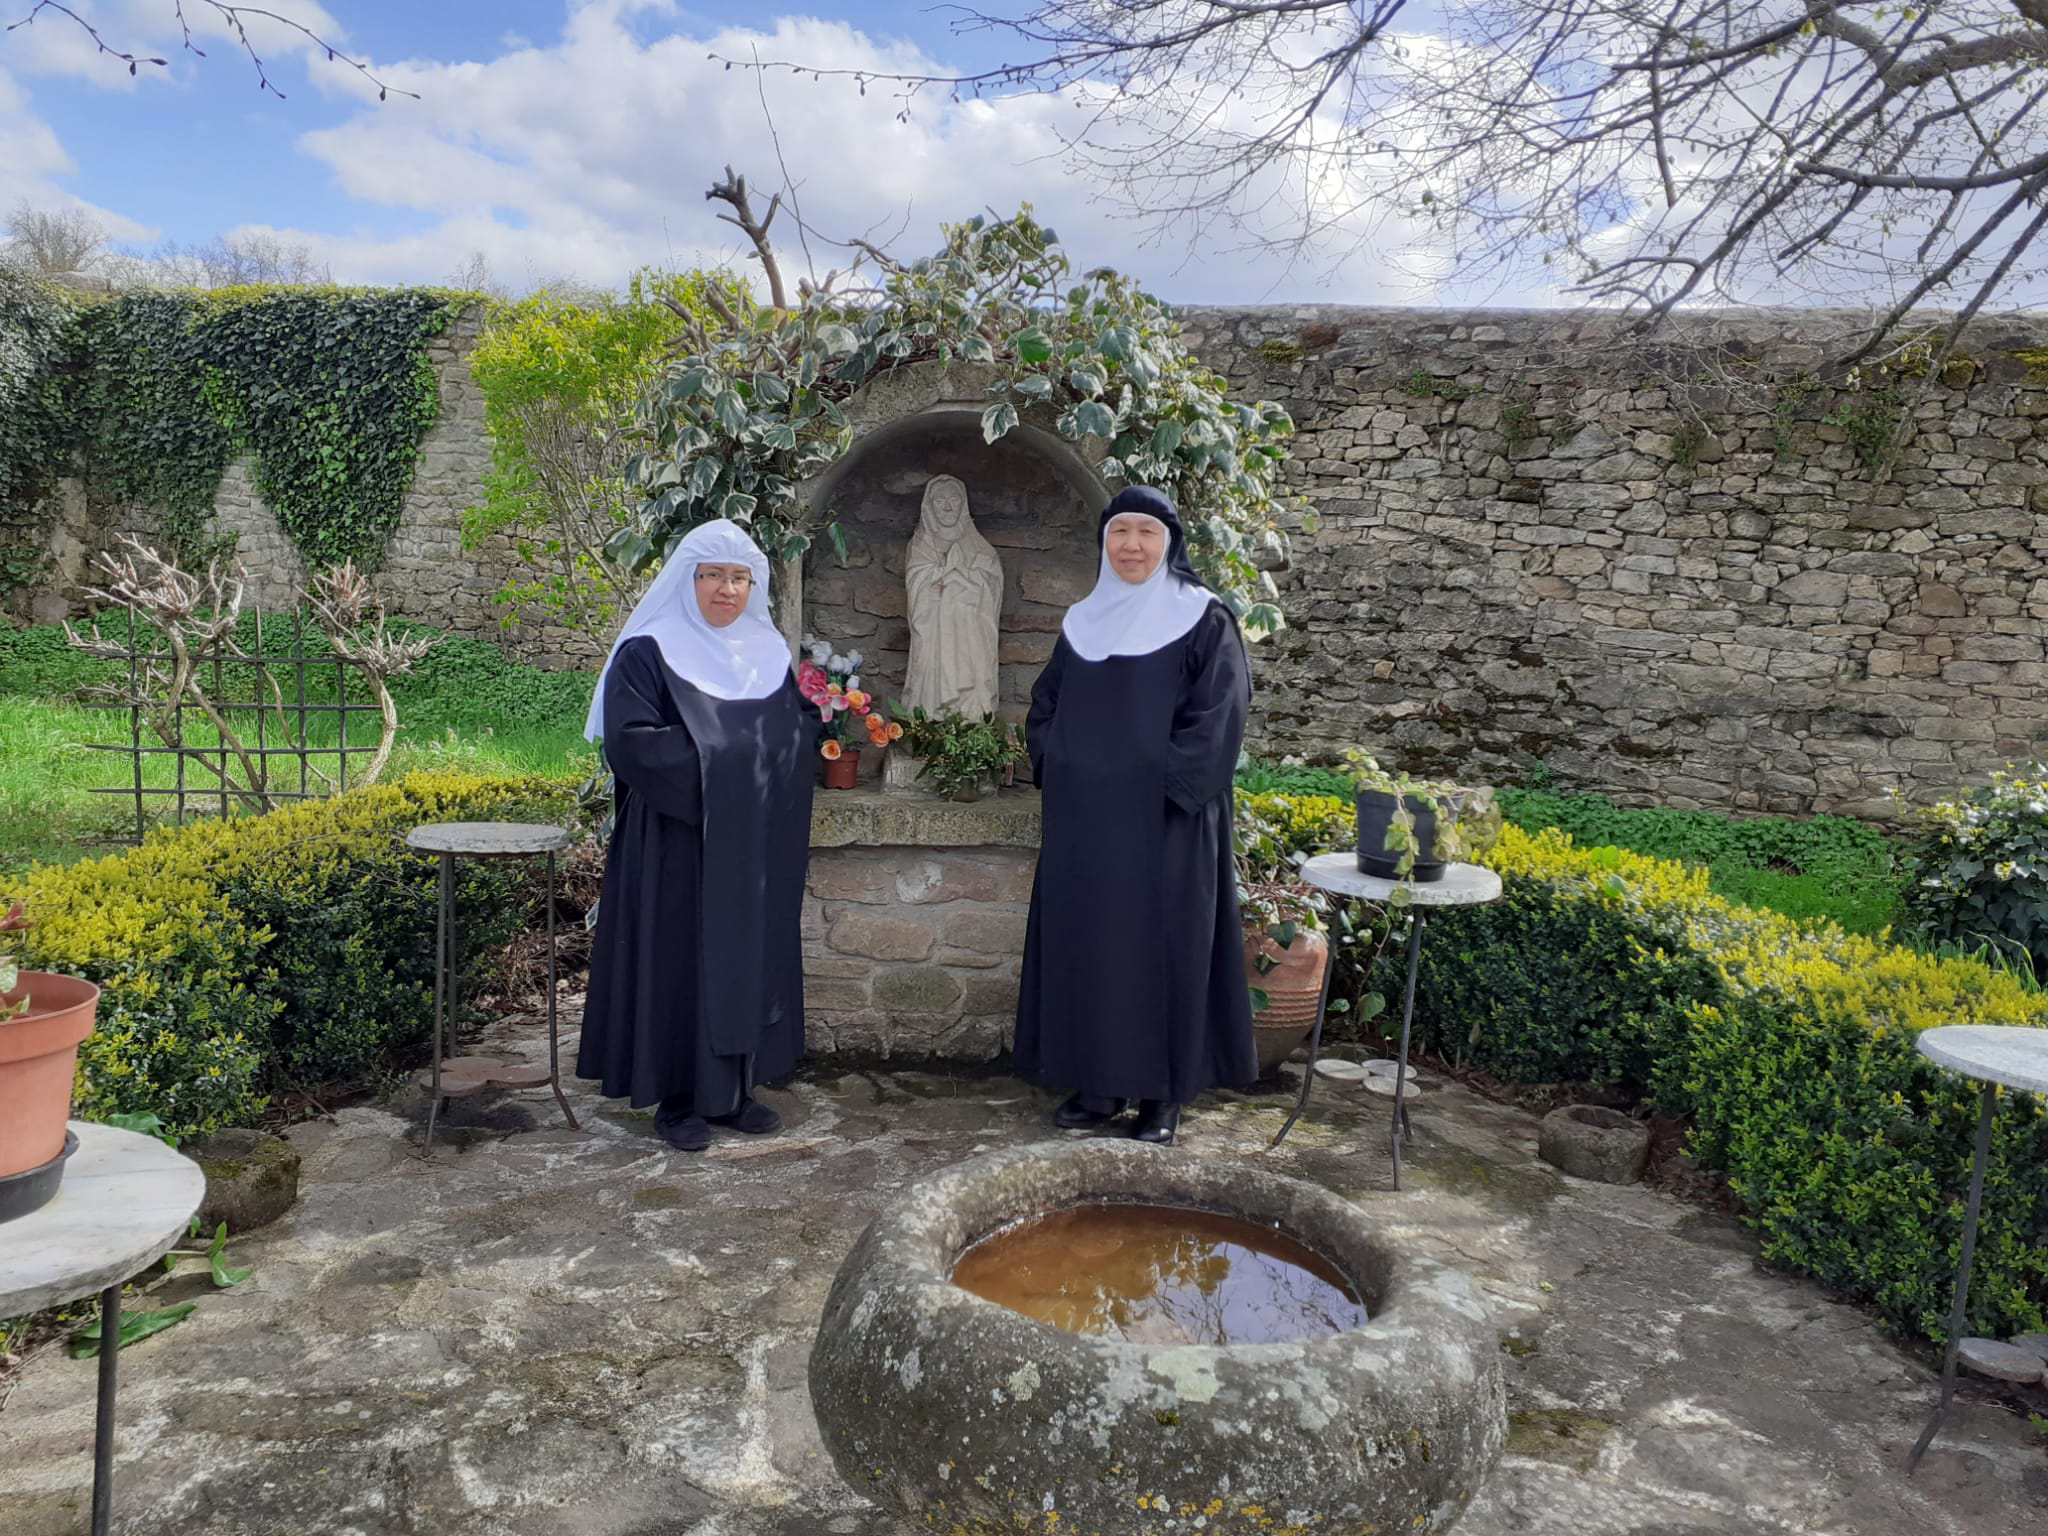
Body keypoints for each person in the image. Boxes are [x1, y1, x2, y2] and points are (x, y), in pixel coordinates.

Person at [1013, 485, 1256, 1146]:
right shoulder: (1082, 622)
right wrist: (1062, 765)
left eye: (1146, 533)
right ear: (1104, 542)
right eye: (1120, 531)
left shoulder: (1205, 618)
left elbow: (1220, 716)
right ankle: (1097, 1085)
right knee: (1091, 949)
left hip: (1165, 824)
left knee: (1163, 953)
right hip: (1087, 824)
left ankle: (1162, 1097)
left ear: (1169, 543)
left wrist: (1159, 787)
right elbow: (1046, 706)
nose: (1131, 546)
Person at [578, 519, 813, 1152]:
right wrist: (733, 764)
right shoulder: (648, 652)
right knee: (679, 961)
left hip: (751, 843)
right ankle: (678, 1100)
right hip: (676, 841)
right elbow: (634, 743)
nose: (727, 590)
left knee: (747, 958)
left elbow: (796, 731)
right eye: (713, 576)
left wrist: (755, 761)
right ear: (689, 579)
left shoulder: (767, 653)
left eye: (740, 578)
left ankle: (734, 1093)